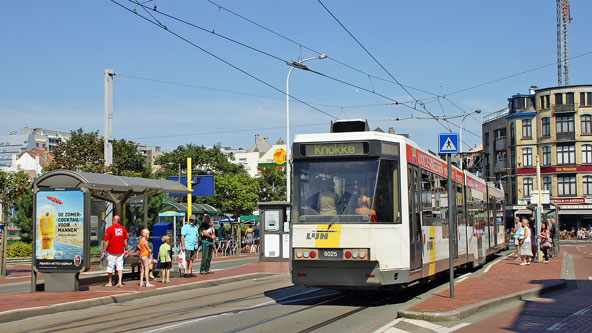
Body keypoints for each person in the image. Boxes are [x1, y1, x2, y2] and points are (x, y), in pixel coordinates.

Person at [101, 215, 129, 288]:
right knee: (120, 267)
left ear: (113, 220)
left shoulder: (109, 229)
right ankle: (120, 282)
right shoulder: (123, 229)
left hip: (111, 251)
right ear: (119, 221)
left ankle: (110, 282)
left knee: (110, 267)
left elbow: (107, 241)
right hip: (120, 251)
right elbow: (125, 241)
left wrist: (104, 251)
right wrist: (126, 250)